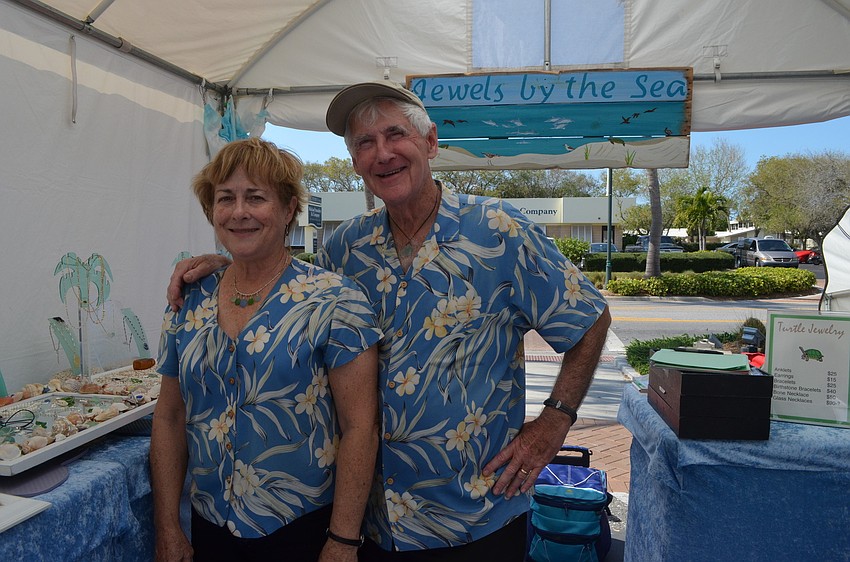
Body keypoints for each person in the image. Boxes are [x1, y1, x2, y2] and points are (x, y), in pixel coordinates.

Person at [167, 82, 611, 561]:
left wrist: (555, 421)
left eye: (395, 135)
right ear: (355, 163)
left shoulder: (500, 230)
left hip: (476, 514)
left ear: (430, 142)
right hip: (374, 524)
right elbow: (283, 284)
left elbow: (589, 319)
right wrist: (222, 265)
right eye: (364, 143)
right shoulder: (345, 247)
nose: (382, 154)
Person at [152, 137, 382, 562]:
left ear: (288, 208)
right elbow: (169, 417)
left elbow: (360, 428)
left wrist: (343, 540)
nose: (239, 212)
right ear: (212, 210)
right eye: (226, 199)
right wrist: (167, 525)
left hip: (302, 530)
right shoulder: (189, 300)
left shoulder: (334, 301)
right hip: (210, 527)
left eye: (255, 197)